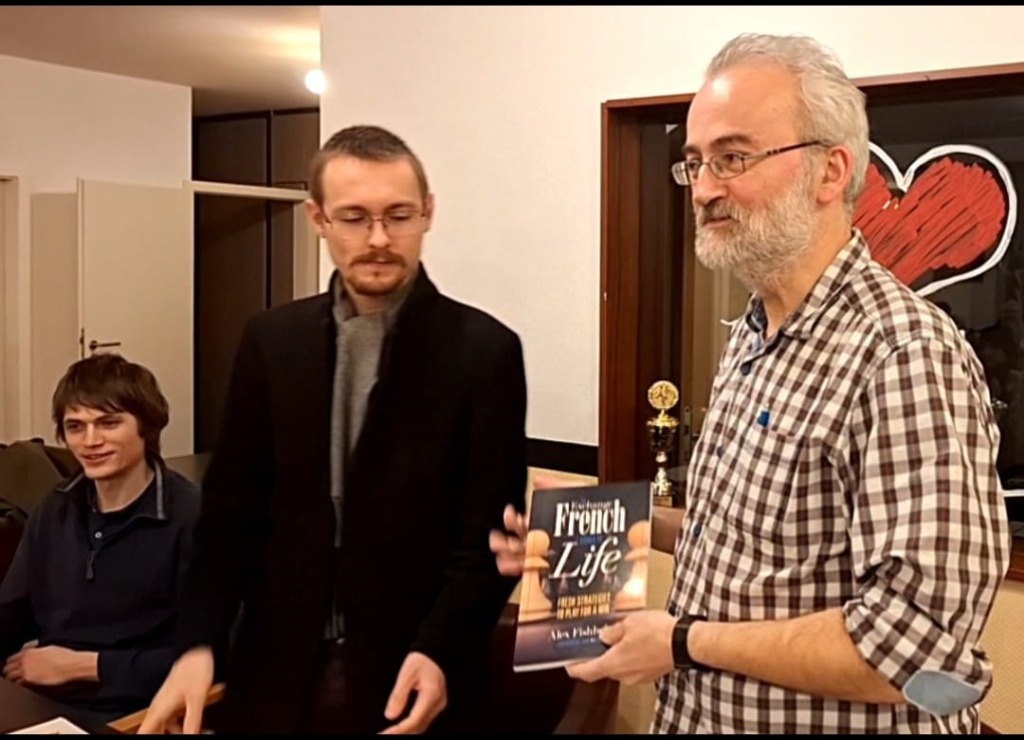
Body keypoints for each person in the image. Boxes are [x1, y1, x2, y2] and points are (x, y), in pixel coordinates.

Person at [491, 33, 1011, 733]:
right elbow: (749, 541)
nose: (705, 189)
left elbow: (915, 650)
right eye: (695, 163)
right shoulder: (752, 334)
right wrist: (592, 531)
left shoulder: (904, 354)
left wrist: (681, 641)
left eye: (733, 158)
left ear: (830, 172)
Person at [140, 124, 528, 734]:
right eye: (354, 218)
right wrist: (197, 645)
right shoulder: (271, 341)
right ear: (318, 218)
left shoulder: (485, 351)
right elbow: (228, 518)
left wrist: (440, 651)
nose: (379, 239)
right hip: (276, 669)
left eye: (398, 215)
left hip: (416, 673)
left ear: (427, 213)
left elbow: (487, 540)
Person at [0, 353, 200, 726]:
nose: (91, 441)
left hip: (138, 712)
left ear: (146, 426)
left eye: (109, 423)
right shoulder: (55, 507)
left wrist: (85, 666)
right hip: (44, 704)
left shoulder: (191, 516)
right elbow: (10, 614)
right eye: (76, 427)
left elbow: (208, 656)